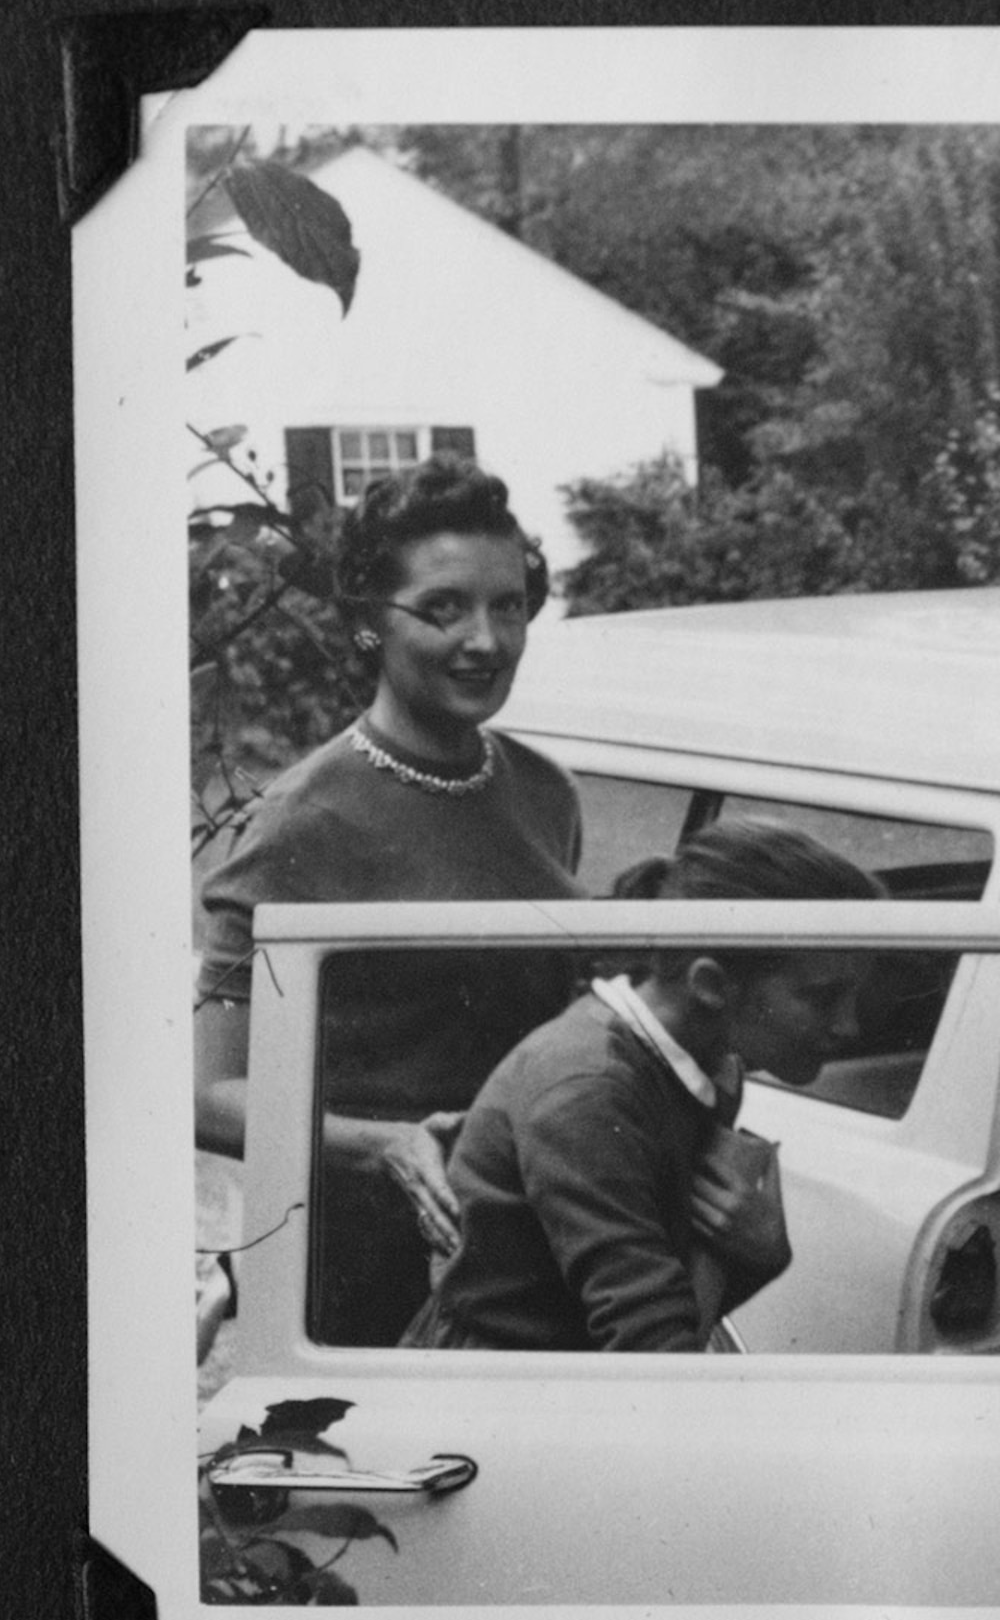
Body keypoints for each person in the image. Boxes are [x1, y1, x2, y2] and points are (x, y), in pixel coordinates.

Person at [194, 454, 585, 1346]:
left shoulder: (545, 793)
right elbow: (208, 1093)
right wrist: (384, 1145)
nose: (483, 639)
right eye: (442, 608)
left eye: (508, 606)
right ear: (371, 624)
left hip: (527, 1245)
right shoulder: (302, 823)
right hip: (362, 1263)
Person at [404, 819, 884, 1352]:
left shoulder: (712, 1064)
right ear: (711, 985)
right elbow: (650, 1350)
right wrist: (760, 1255)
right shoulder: (588, 1093)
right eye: (823, 998)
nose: (848, 1027)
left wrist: (754, 1254)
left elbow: (676, 1301)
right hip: (501, 1386)